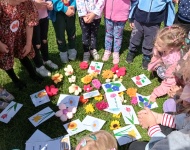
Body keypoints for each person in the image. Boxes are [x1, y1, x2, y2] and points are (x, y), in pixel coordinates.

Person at [0, 0, 43, 90]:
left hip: (19, 35)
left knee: (23, 53)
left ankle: (33, 74)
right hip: (3, 40)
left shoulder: (27, 2)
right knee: (6, 60)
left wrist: (28, 43)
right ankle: (15, 80)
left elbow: (29, 22)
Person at [126, 0, 175, 69]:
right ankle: (131, 51)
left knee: (150, 39)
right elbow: (135, 3)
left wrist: (168, 25)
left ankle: (147, 55)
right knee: (135, 36)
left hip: (154, 22)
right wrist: (131, 18)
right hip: (139, 19)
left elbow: (169, 8)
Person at [147, 25, 187, 102]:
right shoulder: (164, 48)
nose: (155, 44)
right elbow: (156, 57)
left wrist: (154, 94)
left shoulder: (175, 60)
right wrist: (153, 65)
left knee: (168, 80)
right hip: (167, 66)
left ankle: (179, 86)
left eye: (159, 45)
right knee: (159, 69)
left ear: (170, 48)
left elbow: (168, 82)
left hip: (176, 75)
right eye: (156, 41)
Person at [102, 0, 136, 64]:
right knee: (108, 34)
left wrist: (131, 15)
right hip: (108, 13)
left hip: (121, 15)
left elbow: (134, 1)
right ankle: (107, 50)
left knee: (118, 36)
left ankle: (116, 52)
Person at [32, 0, 58, 77]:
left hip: (44, 16)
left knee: (44, 40)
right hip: (32, 19)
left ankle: (46, 59)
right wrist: (34, 4)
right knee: (36, 43)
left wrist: (49, 3)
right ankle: (39, 66)